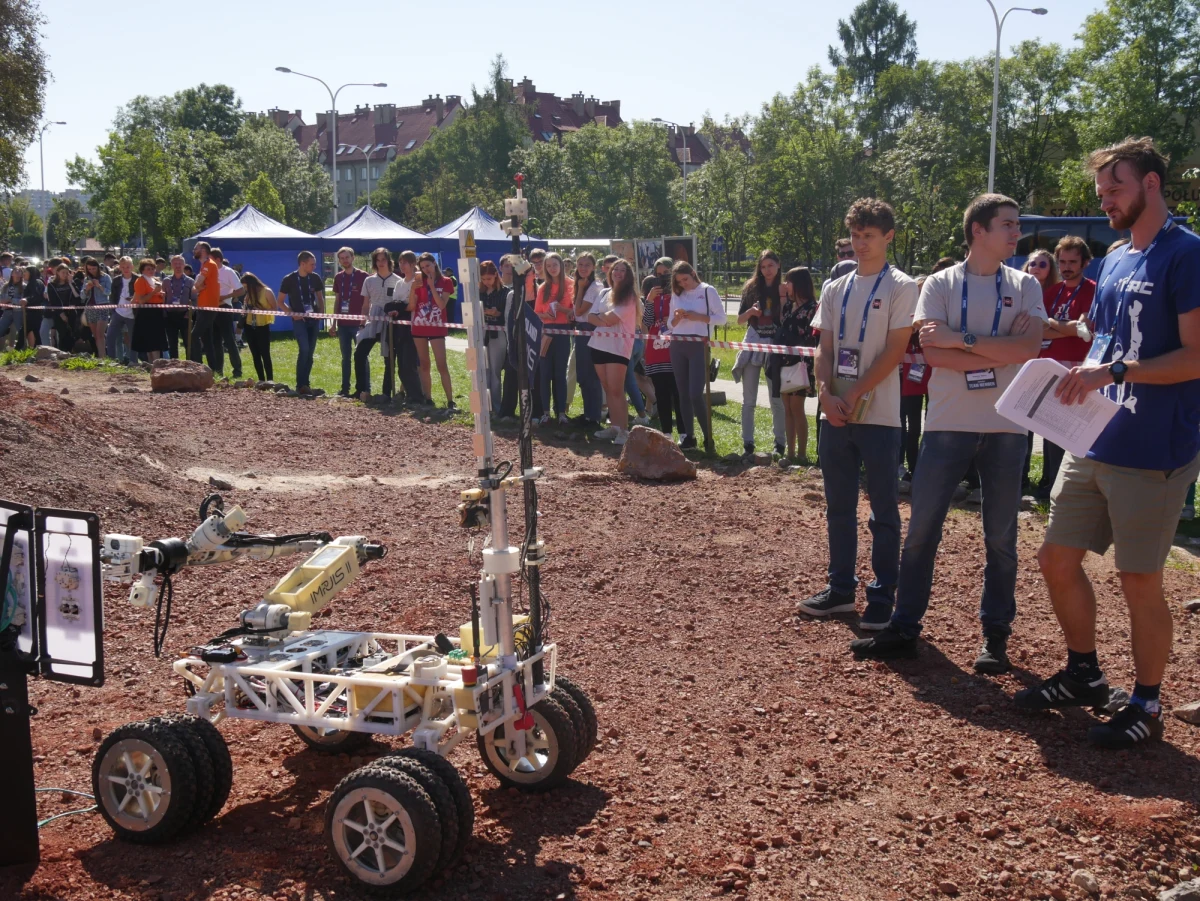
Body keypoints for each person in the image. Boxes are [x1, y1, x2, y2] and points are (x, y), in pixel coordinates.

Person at [1015, 137, 1200, 749]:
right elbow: (1104, 332)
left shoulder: (1188, 254)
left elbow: (1195, 356)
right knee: (1055, 560)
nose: (1107, 201)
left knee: (1138, 577)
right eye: (1102, 193)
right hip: (1091, 436)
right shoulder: (1114, 258)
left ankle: (1147, 704)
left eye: (1115, 189)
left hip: (1153, 447)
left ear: (1151, 183)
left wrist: (1115, 373)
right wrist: (1073, 367)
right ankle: (1085, 675)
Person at [850, 193, 1045, 671]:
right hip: (946, 427)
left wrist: (963, 339)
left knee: (1001, 539)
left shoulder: (1024, 285)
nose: (1016, 233)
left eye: (1016, 225)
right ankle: (904, 628)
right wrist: (998, 348)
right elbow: (934, 355)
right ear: (978, 230)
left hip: (1007, 428)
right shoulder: (938, 283)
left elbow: (1029, 348)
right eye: (1008, 225)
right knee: (920, 534)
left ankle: (994, 637)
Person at [798, 199, 918, 628]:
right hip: (835, 415)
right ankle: (841, 590)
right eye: (855, 236)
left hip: (880, 416)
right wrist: (827, 395)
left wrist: (858, 393)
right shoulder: (836, 287)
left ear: (888, 237)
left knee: (884, 511)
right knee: (838, 507)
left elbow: (895, 349)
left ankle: (883, 595)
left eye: (869, 236)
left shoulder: (902, 286)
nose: (860, 244)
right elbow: (824, 348)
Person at [1032, 236, 1097, 499]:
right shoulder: (1052, 291)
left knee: (1070, 431)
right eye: (1063, 262)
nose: (1067, 267)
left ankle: (1069, 487)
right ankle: (1048, 481)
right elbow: (1038, 329)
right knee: (1048, 428)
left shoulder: (1092, 289)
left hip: (1077, 370)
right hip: (1049, 367)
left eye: (1073, 262)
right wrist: (1066, 327)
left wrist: (1053, 324)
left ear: (1085, 262)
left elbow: (1085, 331)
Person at [735, 250, 787, 460]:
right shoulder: (751, 288)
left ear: (778, 265)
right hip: (753, 344)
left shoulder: (783, 288)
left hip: (775, 347)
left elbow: (786, 320)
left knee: (777, 400)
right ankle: (748, 443)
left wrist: (783, 298)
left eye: (771, 266)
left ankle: (779, 444)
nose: (767, 271)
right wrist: (751, 313)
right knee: (749, 400)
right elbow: (739, 319)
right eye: (763, 266)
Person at [668, 261, 726, 450]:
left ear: (693, 273)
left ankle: (708, 438)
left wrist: (698, 317)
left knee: (695, 393)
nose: (683, 284)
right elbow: (670, 324)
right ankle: (688, 437)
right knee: (682, 393)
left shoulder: (708, 290)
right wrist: (677, 317)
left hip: (698, 344)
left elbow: (722, 318)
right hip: (677, 343)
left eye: (685, 279)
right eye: (679, 281)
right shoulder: (677, 295)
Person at [587, 259, 642, 446]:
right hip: (598, 345)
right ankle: (615, 427)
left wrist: (600, 319)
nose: (618, 273)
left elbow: (609, 319)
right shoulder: (604, 292)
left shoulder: (629, 297)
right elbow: (590, 317)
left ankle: (624, 431)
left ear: (628, 275)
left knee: (617, 390)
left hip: (618, 348)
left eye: (622, 270)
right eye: (615, 269)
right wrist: (602, 320)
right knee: (608, 388)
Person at [778, 266, 820, 462]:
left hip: (802, 363)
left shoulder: (813, 307)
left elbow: (813, 338)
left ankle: (802, 454)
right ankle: (790, 453)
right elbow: (782, 326)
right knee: (786, 407)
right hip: (785, 361)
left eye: (789, 281)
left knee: (797, 407)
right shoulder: (788, 305)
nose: (785, 284)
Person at [354, 248, 401, 401]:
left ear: (389, 261)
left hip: (389, 321)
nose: (381, 263)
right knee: (359, 353)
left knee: (389, 358)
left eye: (383, 259)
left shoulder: (397, 281)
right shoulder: (369, 280)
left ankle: (386, 393)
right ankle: (361, 390)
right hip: (373, 320)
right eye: (378, 260)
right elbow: (366, 304)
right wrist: (362, 323)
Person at [642, 258, 682, 440]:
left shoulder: (681, 294)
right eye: (658, 274)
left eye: (666, 273)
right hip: (656, 349)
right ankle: (667, 434)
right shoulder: (652, 296)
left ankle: (684, 433)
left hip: (675, 349)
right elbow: (648, 323)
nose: (662, 278)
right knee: (662, 394)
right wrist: (649, 301)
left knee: (678, 393)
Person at [410, 252, 455, 409]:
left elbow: (442, 304)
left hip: (437, 326)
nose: (425, 269)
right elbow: (412, 304)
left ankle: (450, 400)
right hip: (420, 325)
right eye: (422, 267)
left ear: (434, 264)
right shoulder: (418, 281)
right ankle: (427, 397)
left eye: (428, 265)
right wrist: (412, 289)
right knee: (424, 364)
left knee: (441, 364)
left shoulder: (446, 281)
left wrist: (431, 286)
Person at [533, 252, 573, 425]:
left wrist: (563, 311)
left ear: (561, 265)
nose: (552, 269)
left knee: (560, 374)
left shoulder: (571, 284)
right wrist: (546, 315)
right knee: (545, 373)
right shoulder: (543, 287)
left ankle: (562, 413)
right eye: (548, 266)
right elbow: (537, 313)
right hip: (546, 332)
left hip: (563, 332)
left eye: (554, 265)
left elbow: (575, 312)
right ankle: (545, 413)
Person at [278, 251, 325, 395]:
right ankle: (300, 384)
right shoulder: (289, 279)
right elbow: (280, 301)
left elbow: (320, 298)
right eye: (312, 264)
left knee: (310, 353)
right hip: (299, 321)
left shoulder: (315, 278)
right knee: (304, 349)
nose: (314, 267)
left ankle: (306, 384)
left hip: (313, 320)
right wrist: (291, 313)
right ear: (302, 264)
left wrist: (321, 313)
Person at [899, 287, 931, 493]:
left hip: (927, 383)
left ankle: (918, 466)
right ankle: (901, 467)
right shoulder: (904, 320)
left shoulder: (930, 322)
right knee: (903, 427)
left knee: (919, 428)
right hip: (904, 384)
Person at [383, 250, 422, 404]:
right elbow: (394, 304)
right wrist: (395, 308)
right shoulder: (399, 283)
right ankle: (409, 395)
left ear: (413, 264)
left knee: (409, 364)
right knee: (401, 365)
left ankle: (417, 396)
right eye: (400, 262)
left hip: (413, 326)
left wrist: (400, 306)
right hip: (398, 327)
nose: (402, 265)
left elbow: (412, 306)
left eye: (405, 262)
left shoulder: (417, 281)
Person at [570, 252, 604, 426]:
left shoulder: (594, 286)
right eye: (580, 264)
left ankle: (594, 416)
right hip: (581, 331)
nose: (583, 268)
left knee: (590, 375)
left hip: (590, 331)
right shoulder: (581, 284)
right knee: (583, 374)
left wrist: (581, 288)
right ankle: (588, 414)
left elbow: (579, 311)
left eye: (587, 265)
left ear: (593, 267)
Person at [329, 246, 368, 397]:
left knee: (362, 357)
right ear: (339, 261)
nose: (345, 260)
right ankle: (345, 388)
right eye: (342, 258)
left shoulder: (364, 276)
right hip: (343, 324)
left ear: (353, 258)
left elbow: (367, 300)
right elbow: (338, 300)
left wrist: (365, 321)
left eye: (347, 257)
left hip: (359, 323)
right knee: (345, 358)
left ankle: (364, 388)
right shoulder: (338, 277)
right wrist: (333, 322)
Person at [479, 259, 513, 416]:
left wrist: (496, 313)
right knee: (483, 370)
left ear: (495, 275)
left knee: (495, 370)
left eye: (489, 279)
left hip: (498, 334)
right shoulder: (479, 292)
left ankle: (496, 406)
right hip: (482, 334)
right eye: (483, 279)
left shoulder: (505, 292)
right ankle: (484, 405)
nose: (487, 282)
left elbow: (507, 316)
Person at [210, 248, 244, 378]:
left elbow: (240, 290)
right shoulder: (208, 271)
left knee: (229, 341)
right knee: (215, 342)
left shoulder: (228, 272)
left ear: (218, 259)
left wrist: (224, 297)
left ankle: (237, 371)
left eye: (211, 259)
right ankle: (218, 371)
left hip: (224, 309)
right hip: (211, 310)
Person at [240, 272, 279, 381]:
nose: (246, 289)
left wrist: (261, 311)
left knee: (265, 354)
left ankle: (270, 380)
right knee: (255, 355)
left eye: (246, 287)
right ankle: (261, 380)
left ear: (252, 284)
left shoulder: (267, 291)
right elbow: (244, 310)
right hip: (249, 326)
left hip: (263, 326)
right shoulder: (248, 295)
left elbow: (275, 310)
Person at [190, 242, 221, 371]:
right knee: (207, 339)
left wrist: (198, 287)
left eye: (196, 248)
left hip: (209, 306)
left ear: (203, 250)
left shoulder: (209, 264)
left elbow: (196, 284)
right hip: (204, 306)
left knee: (194, 335)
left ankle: (197, 365)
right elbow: (195, 288)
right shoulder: (204, 265)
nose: (194, 250)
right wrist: (197, 287)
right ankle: (213, 369)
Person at [130, 258, 167, 362]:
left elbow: (159, 297)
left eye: (152, 268)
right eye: (148, 269)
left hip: (157, 313)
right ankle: (153, 363)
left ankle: (155, 363)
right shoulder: (140, 281)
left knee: (156, 341)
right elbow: (141, 300)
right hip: (146, 314)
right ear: (142, 270)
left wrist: (162, 295)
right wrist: (154, 292)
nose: (151, 271)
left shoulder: (156, 280)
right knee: (150, 342)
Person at [161, 255, 194, 360]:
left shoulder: (190, 281)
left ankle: (190, 364)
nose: (178, 266)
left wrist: (189, 314)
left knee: (188, 342)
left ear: (184, 265)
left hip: (185, 315)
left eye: (180, 263)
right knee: (172, 343)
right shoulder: (166, 281)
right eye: (175, 263)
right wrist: (164, 313)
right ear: (171, 265)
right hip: (169, 316)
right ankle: (174, 365)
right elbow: (162, 298)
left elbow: (194, 300)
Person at [79, 257, 112, 357]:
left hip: (102, 307)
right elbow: (82, 297)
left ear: (98, 267)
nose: (92, 271)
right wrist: (87, 289)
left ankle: (103, 357)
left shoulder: (105, 277)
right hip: (90, 308)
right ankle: (100, 355)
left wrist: (99, 286)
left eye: (93, 269)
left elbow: (109, 292)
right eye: (89, 269)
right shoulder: (86, 279)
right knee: (96, 335)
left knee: (100, 334)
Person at [106, 256, 137, 362]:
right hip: (118, 312)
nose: (126, 269)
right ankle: (111, 360)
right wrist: (113, 311)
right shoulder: (116, 280)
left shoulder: (138, 279)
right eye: (123, 267)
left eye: (128, 266)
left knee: (133, 339)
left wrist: (134, 298)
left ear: (132, 266)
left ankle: (133, 361)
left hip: (133, 313)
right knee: (110, 336)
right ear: (120, 267)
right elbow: (112, 296)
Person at [43, 263, 80, 350]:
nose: (65, 275)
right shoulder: (52, 285)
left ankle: (70, 352)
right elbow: (53, 301)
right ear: (58, 273)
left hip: (71, 312)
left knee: (72, 334)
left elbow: (77, 296)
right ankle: (62, 352)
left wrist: (71, 283)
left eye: (67, 273)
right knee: (62, 333)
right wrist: (61, 313)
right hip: (59, 313)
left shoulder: (71, 283)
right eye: (63, 272)